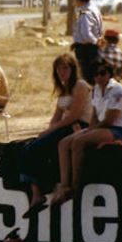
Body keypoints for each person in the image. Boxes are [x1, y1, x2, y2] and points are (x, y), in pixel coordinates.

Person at [17, 54, 92, 216]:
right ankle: (36, 193)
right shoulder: (64, 89)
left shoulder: (80, 85)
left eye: (65, 68)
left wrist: (51, 131)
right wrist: (47, 130)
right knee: (29, 147)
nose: (62, 72)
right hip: (63, 126)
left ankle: (51, 189)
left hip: (78, 125)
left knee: (36, 148)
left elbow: (75, 115)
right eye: (58, 69)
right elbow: (56, 116)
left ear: (73, 69)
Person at [53, 59, 122, 205]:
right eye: (95, 74)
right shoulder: (96, 89)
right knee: (63, 143)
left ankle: (76, 187)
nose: (99, 77)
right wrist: (89, 129)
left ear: (109, 73)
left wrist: (88, 132)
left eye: (102, 73)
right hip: (104, 127)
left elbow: (110, 120)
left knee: (79, 141)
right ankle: (64, 185)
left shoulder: (117, 91)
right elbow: (95, 116)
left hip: (120, 129)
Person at [70, 0, 103, 83]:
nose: (73, 0)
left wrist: (96, 42)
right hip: (92, 48)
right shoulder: (93, 8)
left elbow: (86, 35)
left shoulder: (85, 13)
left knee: (88, 79)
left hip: (87, 51)